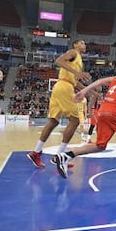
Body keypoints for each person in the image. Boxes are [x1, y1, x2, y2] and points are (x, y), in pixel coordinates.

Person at [27, 39, 92, 168]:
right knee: (75, 120)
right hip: (64, 88)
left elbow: (75, 82)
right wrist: (77, 73)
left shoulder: (78, 62)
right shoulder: (73, 52)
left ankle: (36, 152)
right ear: (75, 44)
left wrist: (90, 91)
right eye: (82, 43)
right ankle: (59, 156)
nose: (85, 45)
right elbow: (59, 61)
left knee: (53, 121)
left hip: (60, 87)